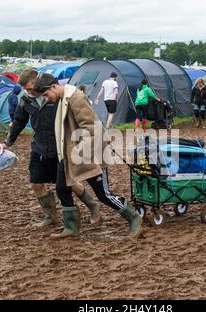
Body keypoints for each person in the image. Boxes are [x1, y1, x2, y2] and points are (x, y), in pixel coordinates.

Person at [34, 73, 142, 239]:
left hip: (90, 156)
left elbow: (92, 128)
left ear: (53, 87)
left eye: (46, 95)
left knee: (103, 195)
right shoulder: (63, 99)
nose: (46, 99)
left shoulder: (76, 98)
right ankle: (71, 227)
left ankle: (134, 218)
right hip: (69, 155)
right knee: (62, 188)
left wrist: (79, 152)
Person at [0, 69, 101, 229]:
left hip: (60, 147)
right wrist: (8, 142)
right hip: (39, 147)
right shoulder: (25, 100)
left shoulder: (57, 98)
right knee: (36, 183)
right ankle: (51, 216)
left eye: (31, 89)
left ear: (38, 83)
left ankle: (93, 207)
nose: (29, 92)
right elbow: (19, 121)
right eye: (26, 90)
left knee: (70, 183)